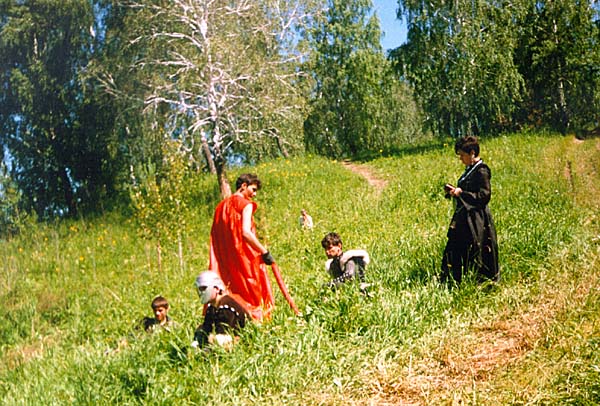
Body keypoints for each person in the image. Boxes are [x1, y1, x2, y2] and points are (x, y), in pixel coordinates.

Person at [209, 173, 275, 321]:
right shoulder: (246, 205)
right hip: (244, 257)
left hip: (225, 260)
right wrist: (264, 251)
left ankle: (232, 318)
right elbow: (246, 232)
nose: (254, 194)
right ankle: (255, 321)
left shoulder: (220, 207)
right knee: (252, 294)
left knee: (232, 291)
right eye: (253, 189)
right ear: (244, 186)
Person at [441, 135, 499, 285]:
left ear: (472, 153)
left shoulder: (481, 171)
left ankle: (480, 283)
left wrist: (462, 193)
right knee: (454, 248)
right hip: (464, 218)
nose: (460, 159)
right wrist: (454, 192)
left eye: (462, 155)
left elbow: (484, 195)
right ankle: (453, 280)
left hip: (477, 220)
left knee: (476, 251)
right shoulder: (470, 170)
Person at [191, 271, 251, 350]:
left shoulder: (227, 307)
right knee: (201, 331)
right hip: (226, 342)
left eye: (203, 288)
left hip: (243, 345)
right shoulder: (212, 308)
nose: (201, 292)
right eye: (199, 289)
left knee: (218, 340)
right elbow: (206, 329)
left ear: (216, 289)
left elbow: (222, 339)